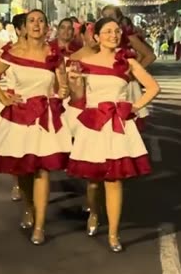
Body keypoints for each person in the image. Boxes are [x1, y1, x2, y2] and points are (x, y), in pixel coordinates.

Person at [63, 16, 160, 252]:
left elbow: (153, 87)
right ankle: (94, 213)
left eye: (116, 31)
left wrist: (133, 107)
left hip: (118, 125)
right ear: (96, 36)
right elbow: (76, 97)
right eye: (107, 31)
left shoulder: (127, 61)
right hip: (94, 124)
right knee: (94, 182)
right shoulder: (84, 61)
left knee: (114, 180)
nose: (113, 35)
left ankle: (114, 234)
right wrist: (72, 82)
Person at [0, 9, 71, 246]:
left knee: (42, 171)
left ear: (46, 27)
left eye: (41, 21)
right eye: (32, 20)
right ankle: (29, 206)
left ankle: (40, 225)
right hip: (19, 117)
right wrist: (4, 98)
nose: (36, 24)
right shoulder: (12, 52)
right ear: (25, 26)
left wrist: (63, 92)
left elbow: (64, 88)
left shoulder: (55, 54)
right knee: (23, 172)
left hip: (46, 118)